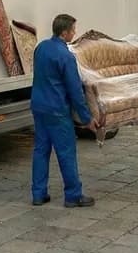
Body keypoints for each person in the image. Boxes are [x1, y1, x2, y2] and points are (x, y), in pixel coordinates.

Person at [30, 13, 102, 208]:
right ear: (65, 33)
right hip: (57, 110)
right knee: (66, 152)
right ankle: (73, 195)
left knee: (40, 150)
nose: (75, 33)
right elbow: (75, 91)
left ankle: (38, 194)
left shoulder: (41, 48)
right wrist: (87, 118)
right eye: (73, 30)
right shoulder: (66, 56)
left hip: (39, 107)